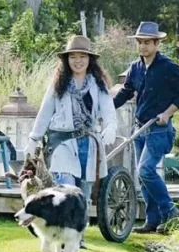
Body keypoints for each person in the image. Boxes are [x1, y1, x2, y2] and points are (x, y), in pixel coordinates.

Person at [113, 21, 179, 234]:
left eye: (147, 43)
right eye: (140, 42)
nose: (143, 47)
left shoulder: (168, 67)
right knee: (142, 175)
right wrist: (108, 108)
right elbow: (126, 92)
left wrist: (167, 113)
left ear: (157, 43)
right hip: (140, 128)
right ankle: (153, 220)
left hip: (159, 128)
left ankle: (172, 214)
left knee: (145, 170)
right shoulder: (135, 68)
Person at [27, 35, 118, 209]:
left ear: (89, 59)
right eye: (73, 56)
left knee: (83, 193)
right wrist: (34, 138)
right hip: (63, 142)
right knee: (67, 188)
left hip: (89, 143)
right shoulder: (59, 84)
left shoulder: (98, 84)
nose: (78, 61)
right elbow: (45, 111)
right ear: (67, 59)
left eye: (82, 56)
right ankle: (64, 231)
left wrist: (111, 126)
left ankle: (77, 233)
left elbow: (108, 109)